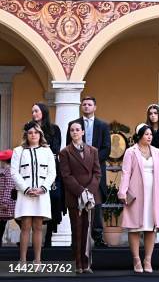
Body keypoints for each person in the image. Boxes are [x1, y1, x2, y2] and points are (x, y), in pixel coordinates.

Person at [118, 124, 159, 273]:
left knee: (150, 227)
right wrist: (122, 192)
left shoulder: (157, 152)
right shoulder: (130, 152)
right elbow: (125, 173)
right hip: (136, 194)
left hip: (153, 193)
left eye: (150, 134)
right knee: (134, 227)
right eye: (146, 134)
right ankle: (136, 260)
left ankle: (147, 259)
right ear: (140, 135)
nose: (149, 137)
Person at [67, 97, 111, 248]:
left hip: (97, 170)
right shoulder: (73, 125)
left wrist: (91, 160)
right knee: (77, 201)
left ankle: (98, 236)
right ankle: (78, 238)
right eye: (84, 104)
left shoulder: (103, 126)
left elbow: (107, 148)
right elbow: (69, 148)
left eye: (89, 104)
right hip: (78, 171)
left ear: (95, 107)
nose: (86, 106)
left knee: (96, 203)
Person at [11, 121, 56, 264]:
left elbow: (52, 173)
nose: (33, 135)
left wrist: (42, 188)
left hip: (41, 194)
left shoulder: (47, 150)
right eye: (30, 133)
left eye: (36, 132)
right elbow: (14, 173)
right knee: (25, 226)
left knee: (38, 227)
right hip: (25, 194)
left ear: (40, 134)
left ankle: (38, 260)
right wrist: (26, 189)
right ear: (26, 135)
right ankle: (22, 260)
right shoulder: (18, 151)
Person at [59, 121, 101, 273]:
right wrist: (80, 191)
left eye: (77, 130)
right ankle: (78, 263)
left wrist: (89, 191)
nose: (75, 132)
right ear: (70, 133)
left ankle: (87, 263)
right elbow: (66, 175)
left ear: (83, 132)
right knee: (77, 230)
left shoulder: (93, 151)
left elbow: (97, 173)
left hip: (90, 196)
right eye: (72, 130)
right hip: (74, 196)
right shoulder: (65, 152)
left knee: (88, 229)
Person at [32, 103, 64, 247]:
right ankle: (35, 238)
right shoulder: (29, 128)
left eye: (36, 111)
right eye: (32, 111)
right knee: (32, 201)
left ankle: (49, 235)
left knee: (54, 199)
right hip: (34, 169)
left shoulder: (54, 129)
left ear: (43, 112)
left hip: (52, 169)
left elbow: (56, 149)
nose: (34, 114)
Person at [0, 149, 16, 247]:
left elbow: (8, 187)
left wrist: (4, 202)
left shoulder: (9, 171)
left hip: (6, 203)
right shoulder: (5, 171)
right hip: (5, 202)